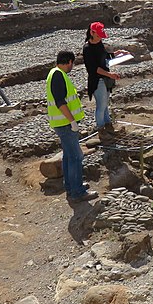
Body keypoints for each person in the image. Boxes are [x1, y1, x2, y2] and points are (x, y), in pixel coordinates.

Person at [46, 50, 98, 203]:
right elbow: (60, 102)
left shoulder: (56, 73)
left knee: (69, 156)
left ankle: (71, 186)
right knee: (76, 156)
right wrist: (72, 121)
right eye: (72, 64)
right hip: (65, 124)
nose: (72, 67)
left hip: (63, 123)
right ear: (68, 61)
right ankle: (77, 192)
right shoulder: (58, 75)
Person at [82, 21, 128, 135]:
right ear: (92, 32)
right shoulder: (87, 48)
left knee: (105, 103)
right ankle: (101, 129)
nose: (99, 38)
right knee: (101, 105)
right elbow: (94, 68)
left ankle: (108, 125)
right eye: (98, 36)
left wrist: (117, 53)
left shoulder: (99, 43)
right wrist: (110, 75)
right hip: (97, 80)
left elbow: (104, 56)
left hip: (105, 79)